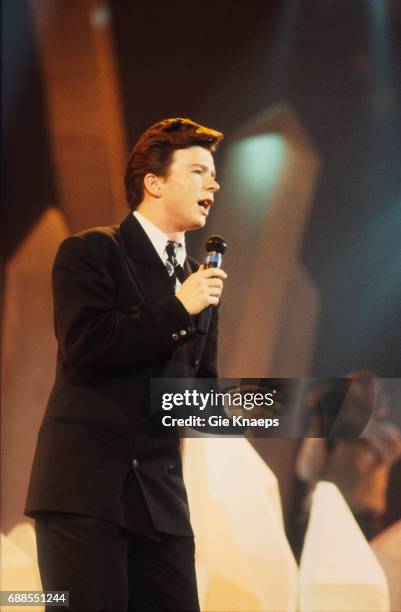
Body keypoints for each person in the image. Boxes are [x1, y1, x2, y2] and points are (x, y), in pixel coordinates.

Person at [25, 117, 226, 611]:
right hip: (86, 495)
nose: (214, 184)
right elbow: (86, 348)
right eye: (199, 171)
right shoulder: (91, 251)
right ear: (153, 183)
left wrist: (328, 409)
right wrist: (179, 309)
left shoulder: (201, 280)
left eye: (214, 174)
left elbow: (197, 399)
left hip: (161, 504)